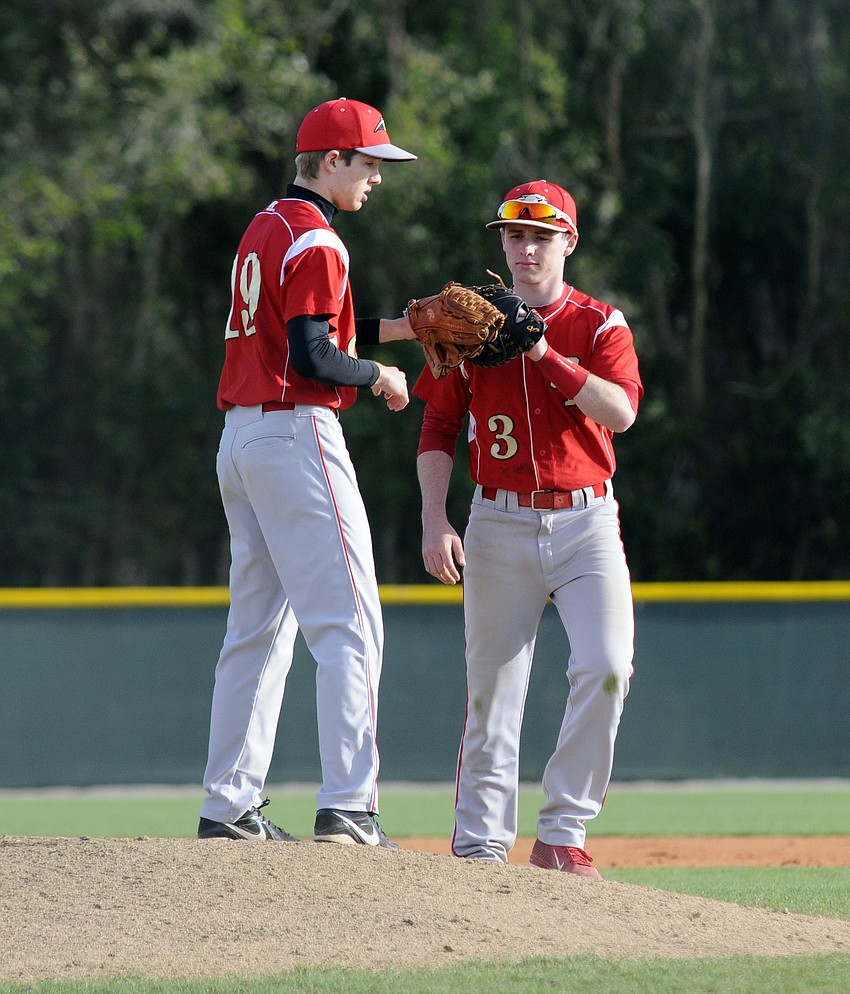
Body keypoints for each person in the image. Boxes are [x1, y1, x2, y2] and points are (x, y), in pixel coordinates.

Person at [198, 98, 418, 847]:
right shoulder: (321, 240)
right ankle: (350, 806)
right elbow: (314, 357)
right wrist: (384, 374)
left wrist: (403, 329)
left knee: (256, 632)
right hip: (296, 434)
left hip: (241, 440)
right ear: (332, 161)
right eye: (369, 164)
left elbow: (302, 328)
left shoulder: (266, 228)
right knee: (351, 622)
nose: (377, 179)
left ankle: (227, 807)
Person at [414, 180, 643, 877]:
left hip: (586, 520)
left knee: (606, 668)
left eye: (541, 236)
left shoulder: (601, 324)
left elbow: (620, 413)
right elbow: (439, 425)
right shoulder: (471, 323)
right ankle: (481, 848)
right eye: (514, 235)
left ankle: (561, 833)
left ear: (568, 242)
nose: (525, 248)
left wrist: (541, 352)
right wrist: (433, 516)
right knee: (492, 693)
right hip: (498, 521)